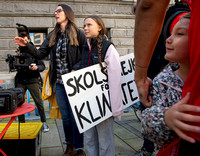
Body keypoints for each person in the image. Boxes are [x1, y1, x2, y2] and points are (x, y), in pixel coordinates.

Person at [14, 4, 87, 156]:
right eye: (55, 11)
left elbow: (86, 54)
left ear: (67, 13)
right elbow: (40, 54)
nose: (56, 13)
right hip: (59, 84)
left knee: (75, 118)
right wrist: (27, 45)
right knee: (65, 117)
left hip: (75, 83)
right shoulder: (53, 34)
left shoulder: (78, 33)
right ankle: (70, 146)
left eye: (59, 10)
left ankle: (79, 148)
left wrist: (77, 67)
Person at [134, 0, 200, 155]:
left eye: (180, 34)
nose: (168, 40)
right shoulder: (164, 81)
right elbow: (147, 124)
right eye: (171, 33)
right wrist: (166, 118)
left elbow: (149, 3)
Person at [73, 15, 123, 156]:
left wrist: (116, 107)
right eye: (84, 25)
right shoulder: (84, 47)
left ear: (99, 28)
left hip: (103, 103)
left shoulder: (108, 47)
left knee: (105, 142)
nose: (85, 28)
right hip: (88, 103)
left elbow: (115, 78)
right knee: (89, 139)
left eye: (89, 25)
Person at [15, 31, 49, 133]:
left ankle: (44, 122)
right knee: (19, 103)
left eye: (25, 40)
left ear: (29, 40)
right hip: (21, 80)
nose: (23, 42)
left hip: (32, 79)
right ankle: (22, 123)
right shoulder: (19, 52)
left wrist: (36, 67)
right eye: (22, 40)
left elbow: (42, 66)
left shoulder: (34, 51)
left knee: (38, 102)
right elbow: (13, 66)